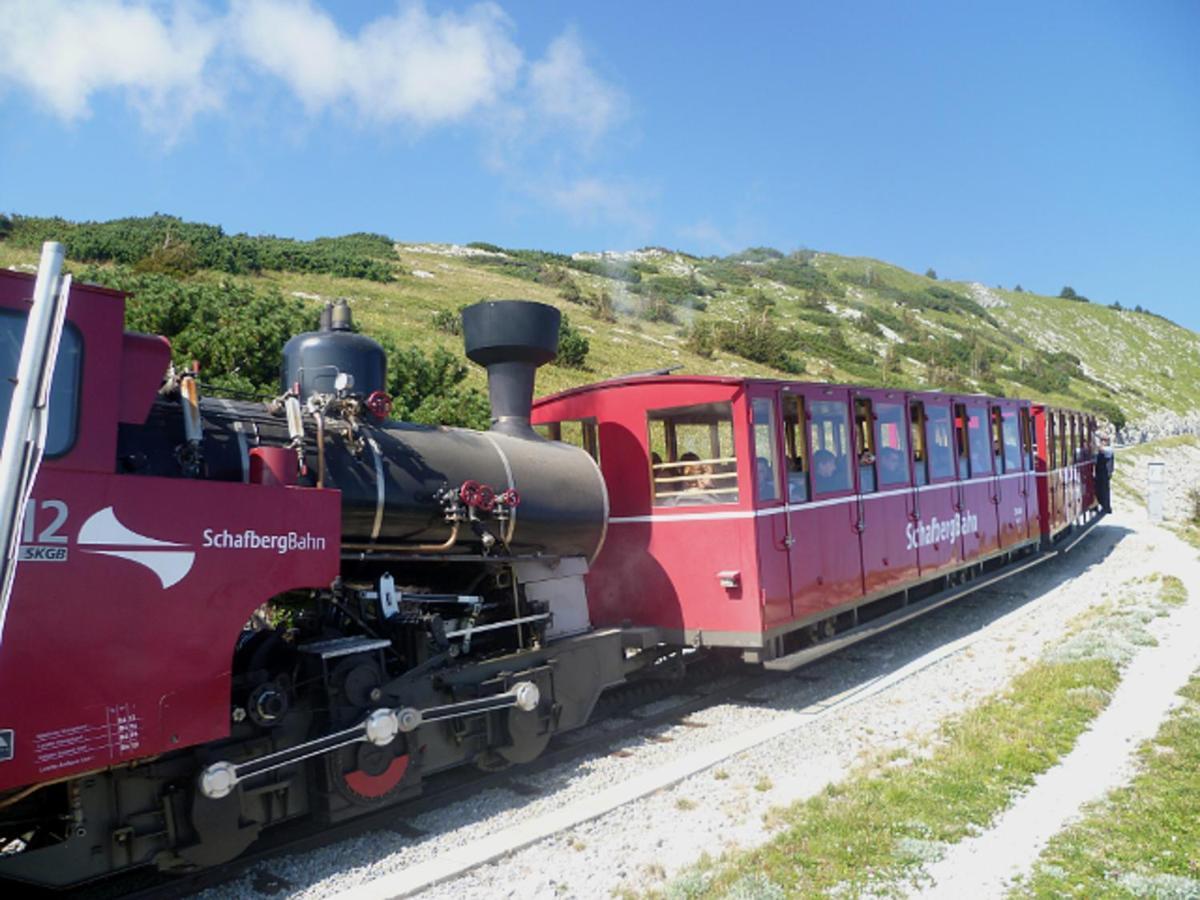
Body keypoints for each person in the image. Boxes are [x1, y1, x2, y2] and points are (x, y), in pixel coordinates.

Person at [1095, 436, 1114, 514]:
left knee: (1104, 490)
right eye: (1102, 440)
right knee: (1099, 490)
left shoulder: (1109, 449)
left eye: (1105, 440)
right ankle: (1100, 505)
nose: (1103, 442)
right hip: (1100, 472)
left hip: (1105, 473)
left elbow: (1101, 450)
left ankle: (1106, 507)